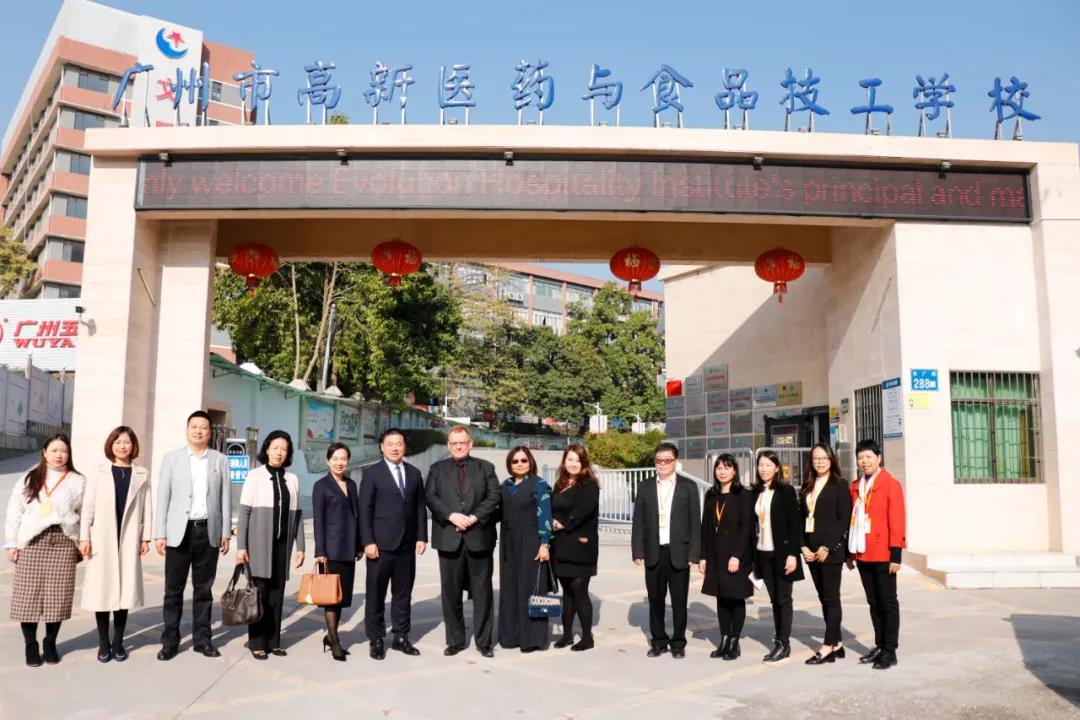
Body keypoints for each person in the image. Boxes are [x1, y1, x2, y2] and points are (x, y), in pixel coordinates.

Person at [154, 410, 231, 661]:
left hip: (208, 530)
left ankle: (202, 640)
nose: (199, 431)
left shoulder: (219, 460)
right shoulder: (172, 459)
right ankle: (170, 641)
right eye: (194, 426)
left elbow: (225, 497)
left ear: (210, 432)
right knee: (173, 591)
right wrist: (160, 533)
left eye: (204, 427)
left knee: (203, 590)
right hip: (179, 532)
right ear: (187, 430)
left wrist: (225, 532)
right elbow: (163, 497)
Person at [4, 434, 85, 667]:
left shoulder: (78, 481)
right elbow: (14, 512)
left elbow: (84, 514)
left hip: (63, 542)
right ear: (45, 452)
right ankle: (30, 644)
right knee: (27, 598)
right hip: (33, 542)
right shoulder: (29, 478)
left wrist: (82, 541)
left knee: (57, 598)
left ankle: (50, 642)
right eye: (54, 450)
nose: (59, 455)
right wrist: (11, 543)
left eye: (64, 451)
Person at [78, 426, 153, 663]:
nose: (122, 446)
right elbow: (88, 507)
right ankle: (104, 643)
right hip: (102, 538)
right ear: (111, 445)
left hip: (129, 538)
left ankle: (118, 643)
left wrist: (145, 537)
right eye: (118, 442)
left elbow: (147, 508)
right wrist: (84, 537)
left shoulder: (141, 473)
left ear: (133, 446)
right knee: (102, 591)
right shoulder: (99, 472)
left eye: (127, 442)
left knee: (124, 593)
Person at [425, 426, 500, 657]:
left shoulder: (486, 468)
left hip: (479, 537)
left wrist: (473, 517)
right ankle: (455, 641)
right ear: (449, 445)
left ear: (470, 444)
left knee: (483, 593)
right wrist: (451, 516)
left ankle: (484, 642)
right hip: (449, 538)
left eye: (463, 442)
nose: (459, 446)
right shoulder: (437, 469)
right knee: (451, 593)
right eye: (454, 443)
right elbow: (430, 497)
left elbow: (494, 496)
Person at [236, 430, 305, 659]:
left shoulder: (292, 479)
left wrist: (301, 547)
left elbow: (297, 516)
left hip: (282, 546)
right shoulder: (255, 476)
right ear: (266, 449)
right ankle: (257, 642)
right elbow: (244, 513)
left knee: (277, 594)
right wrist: (241, 547)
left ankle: (274, 642)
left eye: (284, 449)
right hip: (258, 545)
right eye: (275, 448)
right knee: (259, 594)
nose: (279, 452)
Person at [359, 429, 428, 660]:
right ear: (382, 447)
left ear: (404, 447)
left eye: (399, 443)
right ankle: (376, 638)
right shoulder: (372, 474)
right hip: (379, 546)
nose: (395, 448)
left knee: (403, 594)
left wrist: (421, 536)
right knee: (376, 594)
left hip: (406, 546)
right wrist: (368, 541)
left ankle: (401, 636)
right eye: (390, 444)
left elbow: (420, 507)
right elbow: (365, 510)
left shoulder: (414, 473)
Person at [631, 442, 701, 659]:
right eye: (658, 461)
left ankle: (678, 642)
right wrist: (637, 551)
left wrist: (694, 553)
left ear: (675, 462)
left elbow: (695, 522)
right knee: (655, 600)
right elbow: (638, 521)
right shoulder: (645, 486)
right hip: (653, 551)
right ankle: (659, 641)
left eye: (667, 461)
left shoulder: (688, 486)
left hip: (679, 552)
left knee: (679, 600)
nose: (662, 464)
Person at [847, 439, 907, 670]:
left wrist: (896, 555)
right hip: (863, 551)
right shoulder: (856, 486)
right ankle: (880, 645)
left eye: (869, 457)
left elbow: (897, 520)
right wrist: (851, 553)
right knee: (873, 602)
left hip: (883, 553)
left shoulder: (891, 484)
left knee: (887, 602)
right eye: (861, 458)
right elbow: (852, 522)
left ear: (878, 458)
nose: (865, 461)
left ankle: (890, 650)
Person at [799, 443, 852, 665]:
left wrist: (827, 547)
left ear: (831, 460)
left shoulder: (840, 485)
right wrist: (803, 547)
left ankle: (828, 645)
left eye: (824, 458)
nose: (820, 462)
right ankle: (837, 643)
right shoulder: (807, 485)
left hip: (829, 551)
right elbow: (800, 519)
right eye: (816, 458)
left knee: (831, 598)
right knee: (824, 598)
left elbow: (843, 519)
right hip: (811, 551)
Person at [498, 446, 553, 653]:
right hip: (509, 542)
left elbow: (545, 515)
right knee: (511, 589)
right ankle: (511, 636)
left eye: (523, 460)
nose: (520, 464)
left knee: (531, 588)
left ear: (530, 462)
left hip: (531, 540)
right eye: (515, 461)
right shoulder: (506, 485)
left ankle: (532, 639)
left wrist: (544, 544)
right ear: (509, 464)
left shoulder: (539, 484)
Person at [699, 453, 754, 661]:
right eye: (719, 467)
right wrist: (703, 557)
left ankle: (734, 641)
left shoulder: (743, 495)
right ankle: (723, 639)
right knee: (721, 598)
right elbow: (705, 527)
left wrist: (736, 556)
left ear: (734, 470)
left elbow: (746, 528)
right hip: (715, 555)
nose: (722, 472)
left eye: (727, 467)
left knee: (736, 598)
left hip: (736, 556)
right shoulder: (711, 494)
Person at [312, 442, 361, 662]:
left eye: (343, 459)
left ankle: (331, 636)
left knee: (340, 596)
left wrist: (359, 545)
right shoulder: (321, 486)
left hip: (348, 549)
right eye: (335, 459)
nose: (339, 462)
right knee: (331, 597)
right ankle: (334, 640)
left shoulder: (351, 484)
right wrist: (320, 550)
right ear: (327, 461)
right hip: (330, 550)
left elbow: (356, 516)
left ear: (348, 461)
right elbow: (319, 521)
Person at [753, 450, 804, 663]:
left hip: (782, 554)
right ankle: (779, 641)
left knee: (784, 599)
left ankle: (784, 644)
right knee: (774, 600)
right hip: (763, 552)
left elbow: (795, 524)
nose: (764, 469)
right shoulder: (756, 491)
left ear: (776, 468)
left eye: (768, 465)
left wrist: (793, 554)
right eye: (761, 465)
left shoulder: (786, 491)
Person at [550, 444, 599, 652]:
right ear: (564, 461)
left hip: (580, 546)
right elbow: (551, 507)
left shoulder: (589, 484)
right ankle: (567, 635)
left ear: (584, 463)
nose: (573, 464)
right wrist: (552, 521)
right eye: (569, 459)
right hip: (560, 545)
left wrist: (563, 523)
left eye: (577, 460)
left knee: (580, 591)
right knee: (567, 592)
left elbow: (583, 511)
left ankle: (587, 638)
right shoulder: (560, 483)